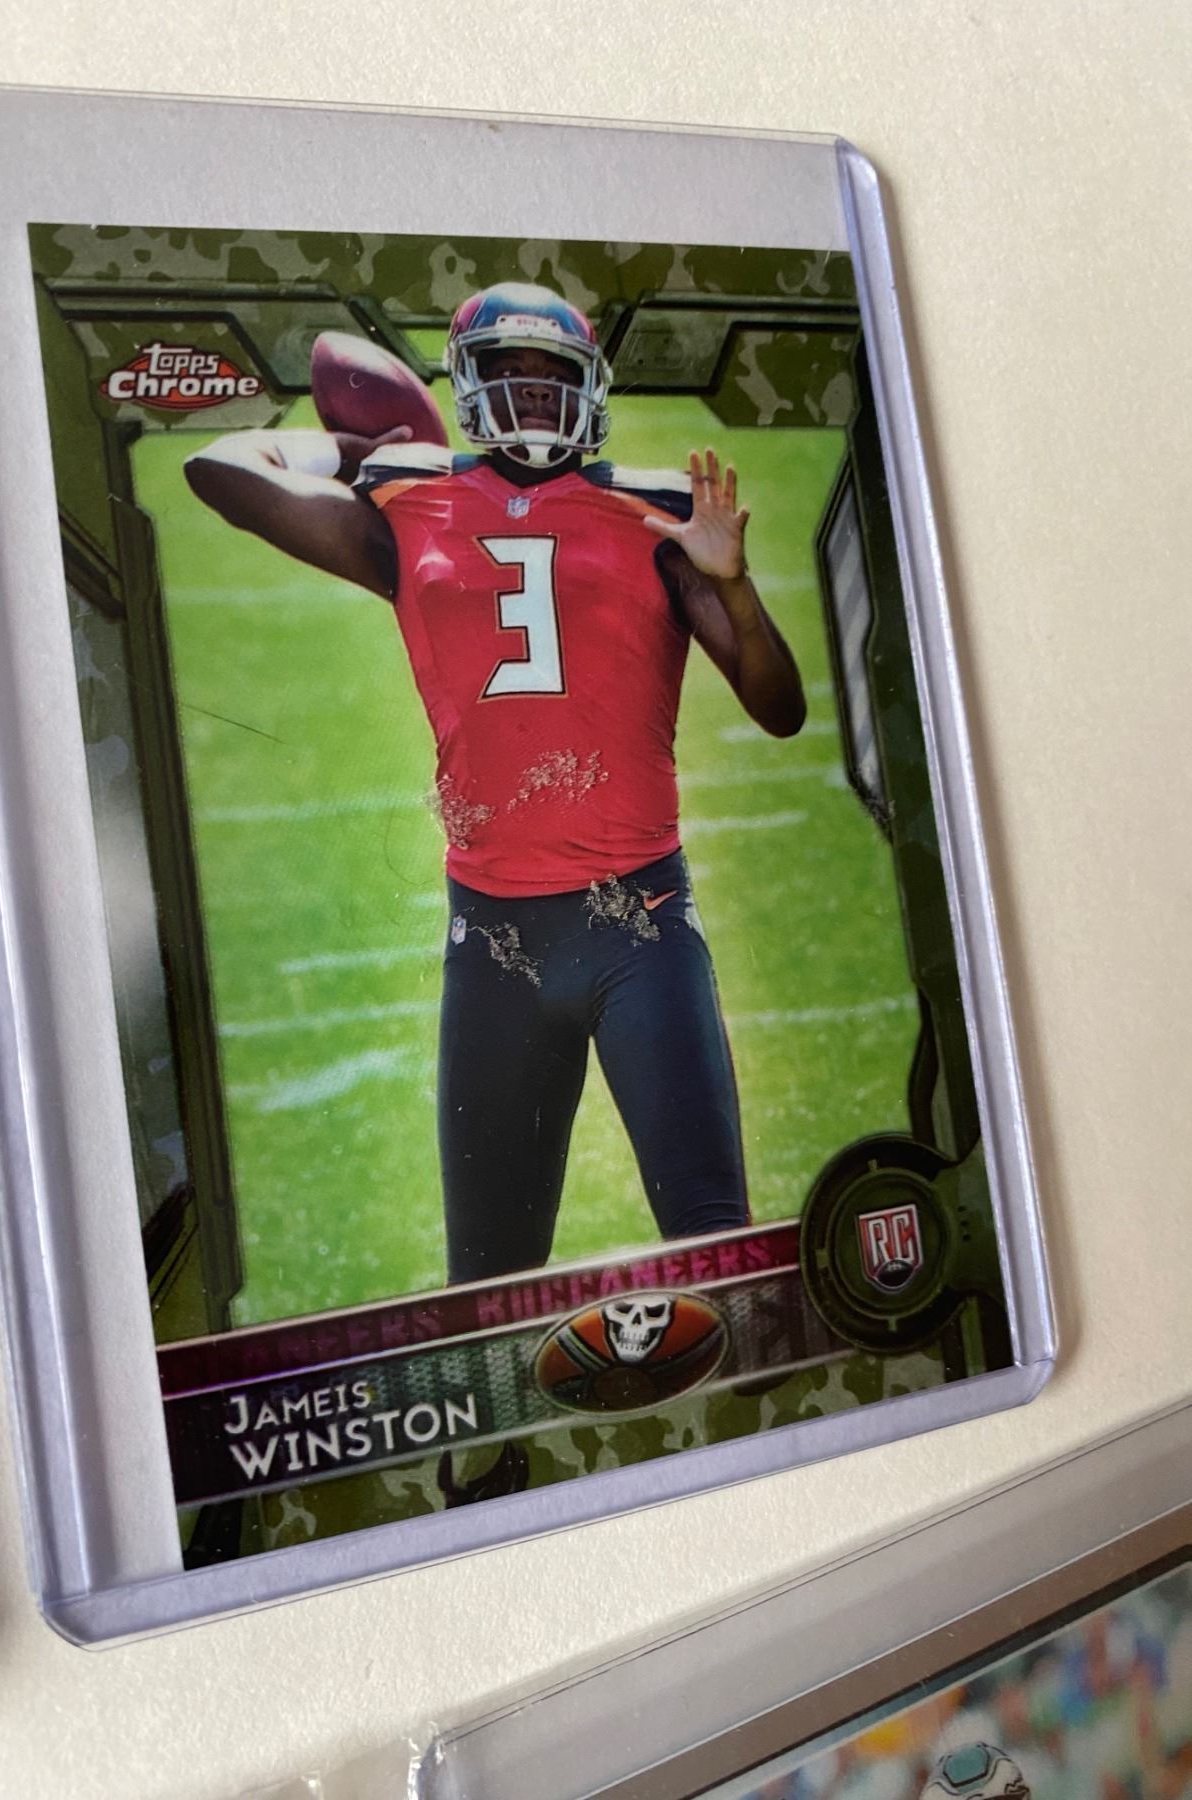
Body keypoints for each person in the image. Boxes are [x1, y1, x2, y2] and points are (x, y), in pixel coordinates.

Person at [185, 281, 805, 1284]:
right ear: (467, 387)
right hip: (496, 945)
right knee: (487, 1284)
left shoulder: (661, 514)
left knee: (715, 1249)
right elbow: (216, 470)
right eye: (506, 373)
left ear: (589, 387)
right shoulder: (408, 503)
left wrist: (730, 586)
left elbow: (780, 708)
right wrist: (356, 451)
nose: (529, 392)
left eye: (549, 374)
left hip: (639, 926)